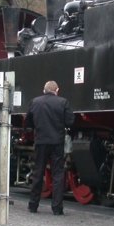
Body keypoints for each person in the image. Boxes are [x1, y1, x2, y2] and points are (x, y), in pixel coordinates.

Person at [25, 80, 74, 215]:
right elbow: (70, 121)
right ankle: (57, 208)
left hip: (41, 141)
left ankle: (33, 205)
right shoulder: (63, 102)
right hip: (57, 142)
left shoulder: (35, 102)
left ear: (44, 90)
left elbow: (28, 122)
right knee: (58, 174)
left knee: (38, 172)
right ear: (57, 90)